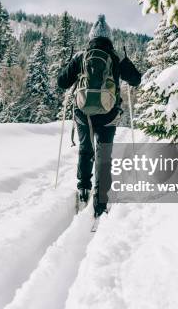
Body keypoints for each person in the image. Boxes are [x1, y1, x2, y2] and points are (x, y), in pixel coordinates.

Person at [57, 14, 142, 217]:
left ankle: (83, 190)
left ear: (91, 37)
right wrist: (126, 63)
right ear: (109, 37)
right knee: (104, 155)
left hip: (83, 112)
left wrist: (71, 64)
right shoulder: (115, 56)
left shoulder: (81, 56)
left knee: (86, 150)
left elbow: (62, 82)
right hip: (109, 113)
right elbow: (136, 80)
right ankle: (101, 201)